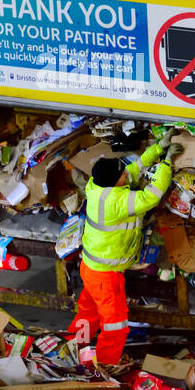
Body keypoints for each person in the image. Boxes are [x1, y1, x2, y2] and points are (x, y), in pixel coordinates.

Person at [68, 138, 181, 367]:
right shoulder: (116, 202)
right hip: (106, 277)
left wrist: (158, 148)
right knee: (115, 326)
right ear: (114, 182)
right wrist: (167, 163)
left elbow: (132, 169)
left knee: (88, 313)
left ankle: (72, 349)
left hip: (91, 268)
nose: (125, 176)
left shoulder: (96, 186)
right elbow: (152, 195)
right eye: (121, 176)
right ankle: (103, 369)